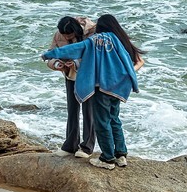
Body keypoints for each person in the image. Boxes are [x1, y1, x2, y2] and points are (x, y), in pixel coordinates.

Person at [42, 14, 144, 171]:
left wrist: (48, 55)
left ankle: (107, 158)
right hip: (116, 87)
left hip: (99, 85)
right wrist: (129, 81)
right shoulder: (116, 40)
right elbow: (128, 60)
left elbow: (75, 49)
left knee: (101, 122)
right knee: (114, 120)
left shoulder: (94, 39)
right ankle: (121, 155)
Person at [46, 16, 96, 159]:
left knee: (89, 111)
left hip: (89, 76)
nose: (66, 37)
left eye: (69, 35)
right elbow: (51, 53)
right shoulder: (58, 35)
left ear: (76, 30)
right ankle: (70, 145)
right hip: (70, 75)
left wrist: (76, 63)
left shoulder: (92, 32)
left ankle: (87, 146)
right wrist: (56, 64)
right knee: (72, 110)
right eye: (64, 35)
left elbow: (94, 56)